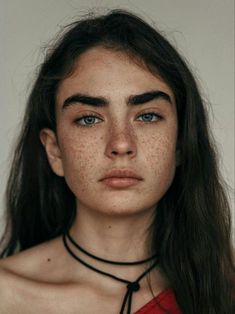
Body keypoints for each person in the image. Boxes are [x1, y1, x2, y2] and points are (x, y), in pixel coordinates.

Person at [0, 8, 234, 314]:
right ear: (55, 151)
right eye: (88, 119)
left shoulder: (225, 289)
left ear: (180, 144)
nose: (121, 144)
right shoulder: (6, 295)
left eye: (148, 116)